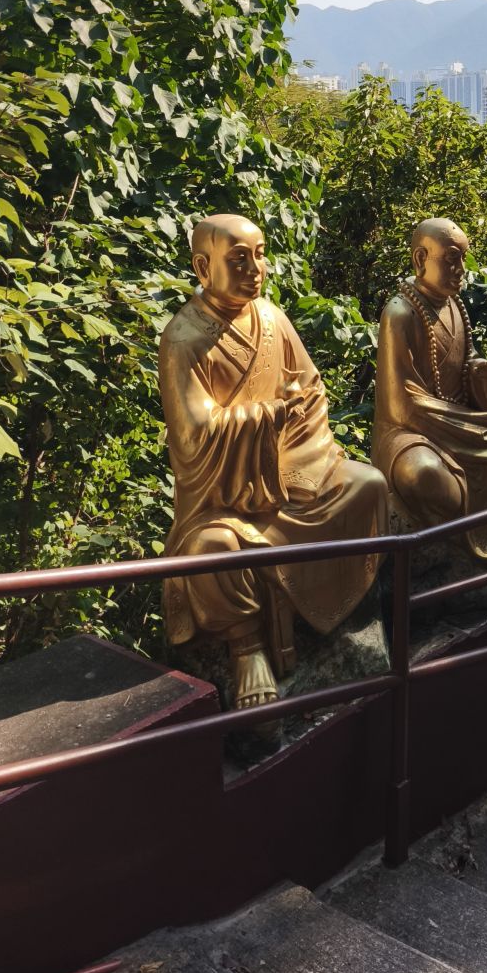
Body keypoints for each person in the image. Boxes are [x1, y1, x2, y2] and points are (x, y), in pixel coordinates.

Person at [159, 213, 389, 711]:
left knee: (368, 484)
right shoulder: (184, 339)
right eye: (238, 259)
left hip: (291, 473)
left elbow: (310, 390)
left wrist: (296, 454)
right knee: (211, 549)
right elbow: (194, 437)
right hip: (225, 498)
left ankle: (335, 615)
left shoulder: (272, 319)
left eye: (260, 254)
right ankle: (247, 649)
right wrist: (266, 416)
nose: (254, 269)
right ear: (203, 267)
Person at [372, 218, 487, 565]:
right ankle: (457, 549)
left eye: (463, 260)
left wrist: (478, 372)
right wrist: (468, 423)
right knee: (425, 475)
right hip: (407, 433)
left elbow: (465, 361)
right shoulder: (400, 313)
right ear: (419, 259)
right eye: (452, 259)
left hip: (454, 423)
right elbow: (402, 405)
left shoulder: (456, 306)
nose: (461, 270)